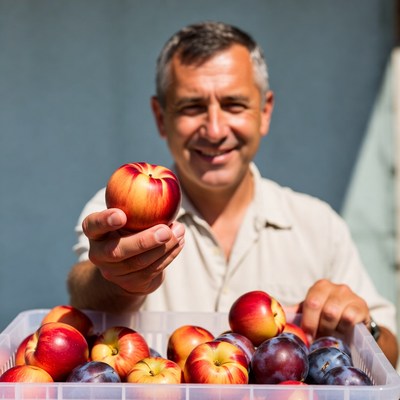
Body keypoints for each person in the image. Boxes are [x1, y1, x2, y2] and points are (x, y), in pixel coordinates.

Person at [68, 21, 398, 366]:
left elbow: (388, 353)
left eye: (234, 104)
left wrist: (363, 327)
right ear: (161, 117)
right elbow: (85, 290)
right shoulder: (119, 210)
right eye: (192, 106)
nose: (214, 129)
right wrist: (115, 277)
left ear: (264, 112)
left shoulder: (319, 226)